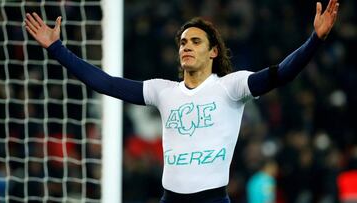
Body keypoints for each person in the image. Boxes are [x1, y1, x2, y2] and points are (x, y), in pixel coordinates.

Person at [24, 0, 339, 202]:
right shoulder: (164, 92)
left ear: (213, 51)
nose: (186, 46)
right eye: (183, 42)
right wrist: (57, 49)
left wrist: (315, 40)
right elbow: (105, 83)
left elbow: (282, 73)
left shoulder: (231, 86)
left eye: (195, 41)